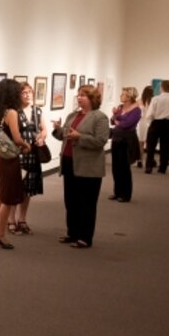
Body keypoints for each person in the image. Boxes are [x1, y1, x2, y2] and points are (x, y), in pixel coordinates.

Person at [51, 85, 109, 248]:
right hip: (70, 162)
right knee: (71, 201)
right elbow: (65, 135)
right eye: (78, 95)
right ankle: (72, 233)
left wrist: (79, 137)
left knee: (87, 203)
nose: (79, 97)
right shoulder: (73, 115)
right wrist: (57, 130)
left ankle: (85, 237)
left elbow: (100, 141)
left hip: (89, 167)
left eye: (83, 95)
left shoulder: (100, 117)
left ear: (92, 98)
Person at [0, 79, 32, 250]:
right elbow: (17, 138)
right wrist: (26, 146)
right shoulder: (12, 113)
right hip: (10, 160)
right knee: (8, 199)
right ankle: (0, 234)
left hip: (1, 157)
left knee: (2, 195)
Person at [7, 82, 47, 235]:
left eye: (29, 92)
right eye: (24, 92)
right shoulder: (14, 112)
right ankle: (11, 220)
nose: (27, 95)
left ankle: (22, 219)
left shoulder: (37, 111)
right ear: (18, 95)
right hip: (19, 153)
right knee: (15, 187)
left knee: (28, 189)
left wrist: (42, 138)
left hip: (33, 154)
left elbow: (44, 130)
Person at [109, 87, 141, 202]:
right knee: (115, 167)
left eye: (122, 94)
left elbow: (127, 124)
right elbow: (112, 121)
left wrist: (118, 118)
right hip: (116, 139)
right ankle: (117, 192)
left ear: (129, 97)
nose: (120, 96)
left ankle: (125, 194)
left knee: (124, 168)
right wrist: (115, 117)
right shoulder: (120, 107)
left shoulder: (136, 110)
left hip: (127, 141)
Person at [143, 80, 169, 174]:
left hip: (156, 123)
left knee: (151, 146)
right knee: (165, 146)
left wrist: (150, 120)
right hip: (167, 124)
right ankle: (163, 168)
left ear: (162, 88)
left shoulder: (156, 99)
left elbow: (150, 114)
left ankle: (149, 167)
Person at [136, 86, 153, 168]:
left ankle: (140, 160)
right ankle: (150, 160)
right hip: (150, 123)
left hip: (141, 123)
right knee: (150, 143)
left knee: (140, 143)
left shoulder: (139, 101)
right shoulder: (153, 101)